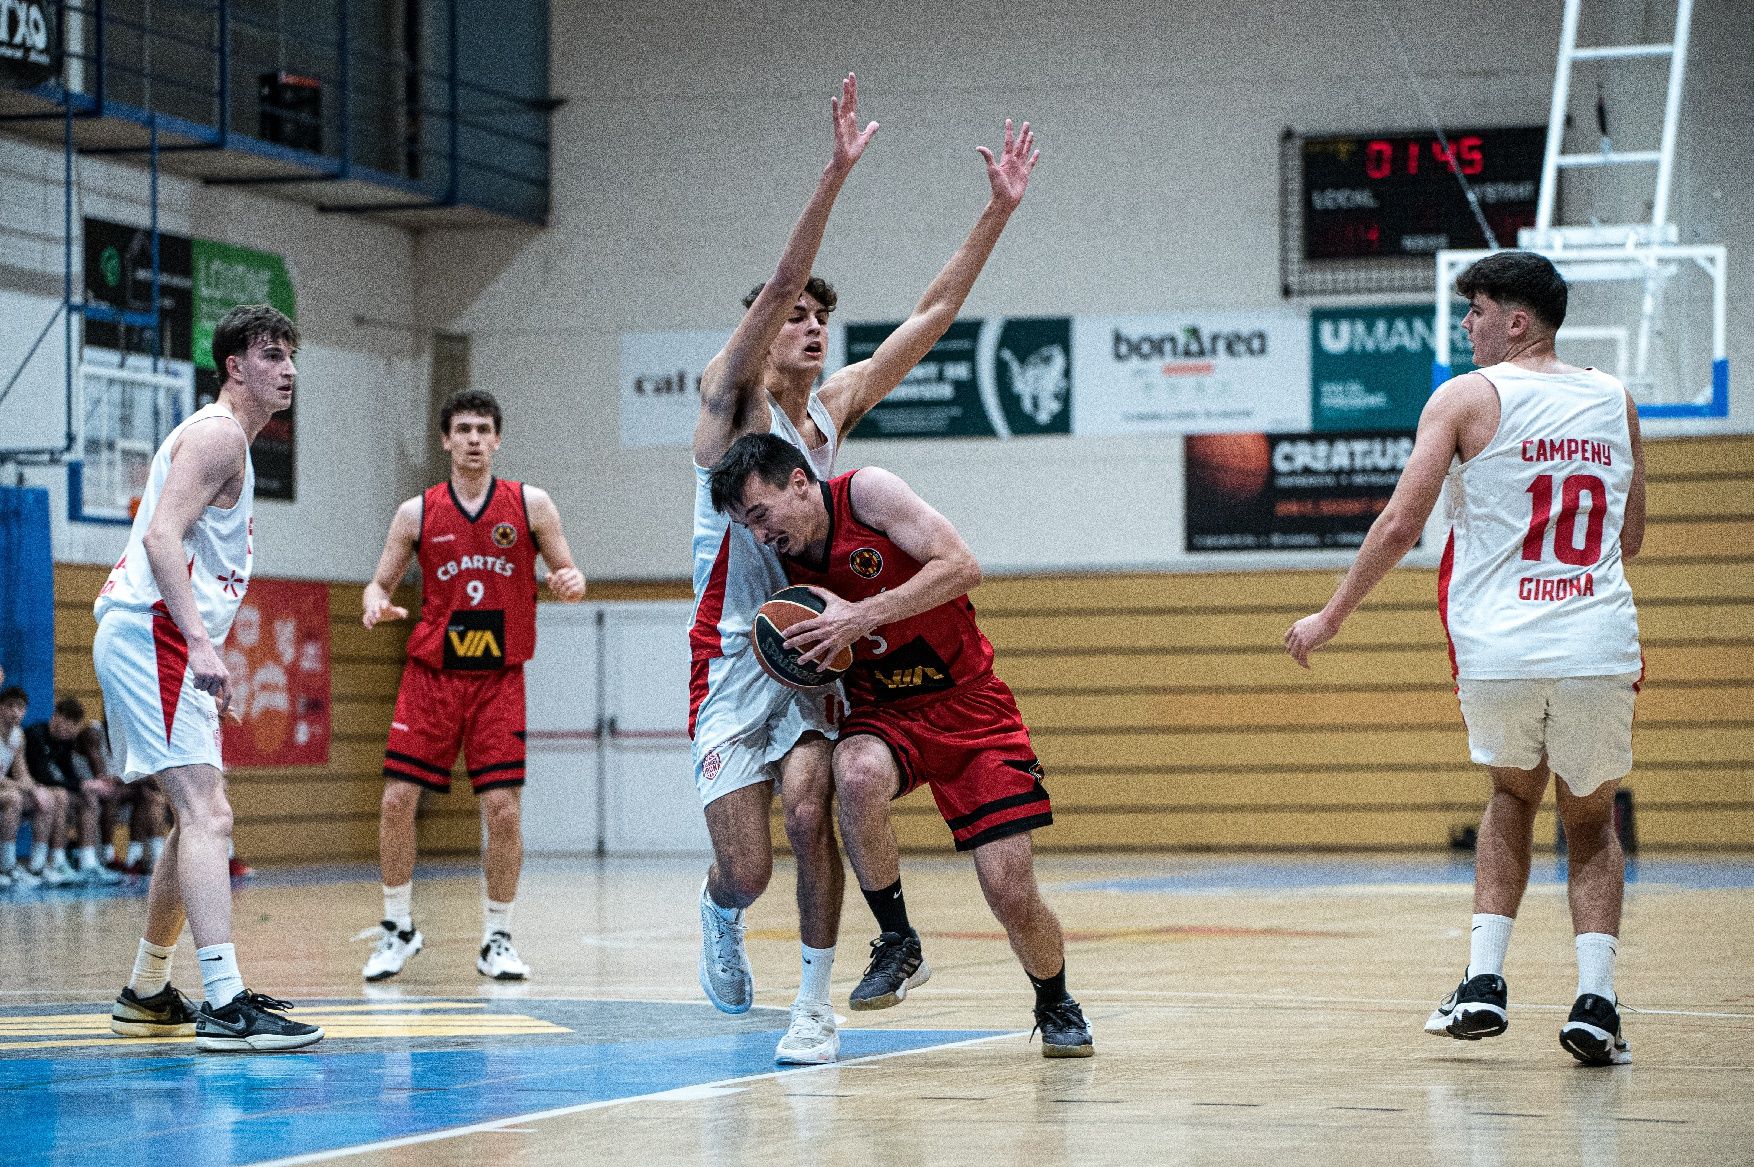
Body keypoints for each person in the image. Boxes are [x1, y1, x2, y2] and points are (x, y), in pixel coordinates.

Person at [688, 74, 1039, 1065]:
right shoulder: (727, 408)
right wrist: (834, 175)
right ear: (762, 322)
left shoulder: (830, 410)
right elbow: (778, 282)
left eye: (816, 314)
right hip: (728, 654)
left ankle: (816, 1002)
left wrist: (996, 214)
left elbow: (930, 315)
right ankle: (719, 912)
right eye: (788, 310)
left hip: (811, 643)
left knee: (815, 806)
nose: (806, 322)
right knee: (745, 870)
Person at [1285, 250, 1644, 1068]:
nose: (1466, 325)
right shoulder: (1614, 398)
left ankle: (1484, 982)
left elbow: (1398, 526)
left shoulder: (1465, 399)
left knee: (1511, 796)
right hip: (1595, 640)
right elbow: (1630, 537)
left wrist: (1332, 615)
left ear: (1516, 321)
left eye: (1475, 310)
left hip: (1501, 645)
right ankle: (1596, 1002)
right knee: (1590, 821)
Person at [708, 433, 1094, 1058]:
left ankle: (1055, 999)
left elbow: (963, 566)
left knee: (1008, 890)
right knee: (854, 771)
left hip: (971, 707)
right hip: (886, 711)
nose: (760, 535)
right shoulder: (783, 566)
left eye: (761, 515)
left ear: (799, 483)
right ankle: (897, 940)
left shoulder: (868, 495)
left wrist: (861, 615)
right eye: (746, 525)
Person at [94, 303, 322, 1051]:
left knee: (196, 815)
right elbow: (160, 534)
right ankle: (225, 1003)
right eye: (268, 354)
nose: (285, 367)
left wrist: (200, 645)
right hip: (153, 633)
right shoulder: (219, 435)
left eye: (290, 354)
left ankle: (148, 988)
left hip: (159, 636)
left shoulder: (231, 441)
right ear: (234, 366)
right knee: (208, 813)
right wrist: (198, 643)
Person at [358, 389, 587, 983]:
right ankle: (397, 928)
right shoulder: (416, 512)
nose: (474, 439)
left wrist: (569, 580)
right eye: (463, 429)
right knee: (395, 801)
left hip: (497, 679)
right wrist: (375, 605)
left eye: (485, 429)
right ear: (446, 440)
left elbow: (567, 567)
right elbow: (377, 585)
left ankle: (498, 938)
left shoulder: (530, 504)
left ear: (499, 439)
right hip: (431, 676)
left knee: (504, 811)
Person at [22, 698, 124, 885]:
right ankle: (52, 862)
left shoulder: (65, 742)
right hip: (30, 790)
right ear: (55, 717)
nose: (68, 732)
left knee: (88, 798)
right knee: (61, 795)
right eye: (65, 725)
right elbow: (44, 776)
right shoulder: (36, 734)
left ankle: (88, 862)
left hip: (51, 792)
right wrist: (84, 784)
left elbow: (68, 774)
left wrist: (87, 785)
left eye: (72, 728)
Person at [0, 684, 59, 891]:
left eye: (21, 708)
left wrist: (37, 789)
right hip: (3, 790)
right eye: (10, 707)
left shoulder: (18, 735)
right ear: (1, 708)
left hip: (5, 789)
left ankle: (37, 865)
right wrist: (26, 788)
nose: (16, 712)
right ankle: (6, 866)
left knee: (48, 798)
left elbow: (21, 773)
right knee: (13, 798)